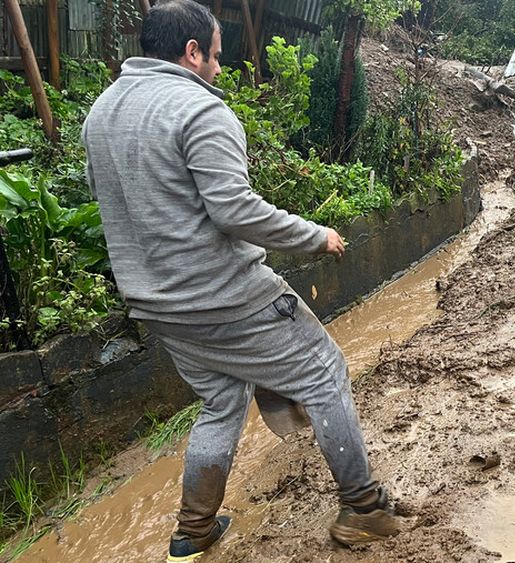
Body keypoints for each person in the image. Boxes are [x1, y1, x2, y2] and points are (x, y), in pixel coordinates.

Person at [81, 1, 399, 560]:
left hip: (156, 305)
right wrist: (315, 236)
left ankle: (195, 529)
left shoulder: (101, 113)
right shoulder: (200, 110)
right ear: (191, 52)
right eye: (215, 55)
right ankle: (364, 509)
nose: (218, 68)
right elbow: (234, 211)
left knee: (222, 399)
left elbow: (111, 198)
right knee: (325, 372)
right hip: (225, 296)